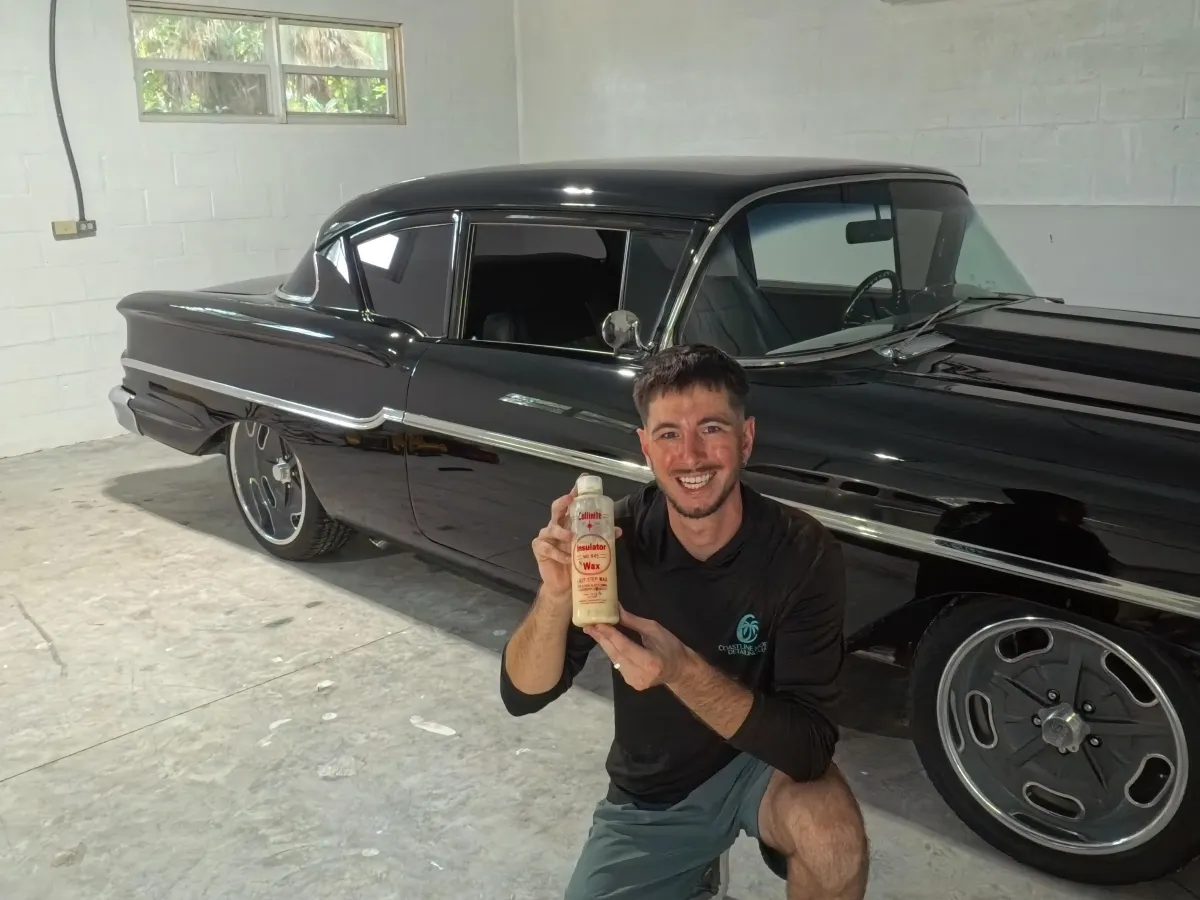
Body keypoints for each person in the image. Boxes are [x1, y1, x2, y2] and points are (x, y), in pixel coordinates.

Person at [499, 343, 869, 900]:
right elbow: (523, 695)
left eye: (711, 428)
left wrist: (680, 672)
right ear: (646, 447)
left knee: (834, 843)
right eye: (669, 434)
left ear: (746, 437)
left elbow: (809, 748)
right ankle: (691, 865)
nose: (691, 456)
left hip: (762, 761)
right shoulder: (614, 540)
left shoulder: (800, 550)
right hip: (656, 791)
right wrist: (555, 596)